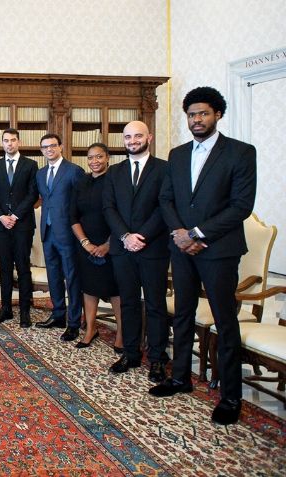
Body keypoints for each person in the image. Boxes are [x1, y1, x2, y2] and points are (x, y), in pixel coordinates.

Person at [153, 86, 256, 426]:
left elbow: (241, 206)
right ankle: (180, 378)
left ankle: (230, 396)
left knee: (225, 322)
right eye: (192, 115)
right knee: (183, 313)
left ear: (218, 115)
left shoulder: (240, 153)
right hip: (181, 250)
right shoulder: (178, 154)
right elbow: (166, 200)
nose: (196, 120)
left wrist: (198, 234)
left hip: (219, 251)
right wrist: (180, 235)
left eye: (203, 114)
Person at [103, 122, 170, 380]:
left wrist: (141, 236)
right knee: (128, 302)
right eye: (128, 137)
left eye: (138, 135)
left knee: (155, 304)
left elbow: (164, 206)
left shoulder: (164, 169)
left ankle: (157, 359)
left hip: (152, 248)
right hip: (122, 248)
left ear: (149, 137)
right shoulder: (115, 172)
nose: (133, 140)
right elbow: (109, 208)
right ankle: (131, 353)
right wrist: (125, 236)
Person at [68, 143, 122, 349]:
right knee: (88, 288)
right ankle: (90, 328)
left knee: (116, 290)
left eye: (99, 157)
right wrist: (85, 243)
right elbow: (73, 216)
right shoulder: (81, 182)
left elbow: (122, 214)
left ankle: (121, 333)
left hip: (113, 244)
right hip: (86, 245)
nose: (94, 162)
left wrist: (109, 244)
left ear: (108, 157)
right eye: (90, 158)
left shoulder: (115, 181)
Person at [35, 133, 85, 341]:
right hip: (47, 232)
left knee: (72, 278)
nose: (49, 150)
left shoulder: (74, 171)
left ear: (61, 147)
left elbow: (81, 204)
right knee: (53, 276)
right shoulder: (40, 173)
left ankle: (74, 322)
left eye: (53, 146)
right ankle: (58, 315)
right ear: (42, 150)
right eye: (45, 147)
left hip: (67, 233)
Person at [0, 128, 38, 328]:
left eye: (13, 140)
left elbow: (32, 194)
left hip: (22, 224)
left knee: (23, 267)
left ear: (19, 142)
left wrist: (15, 216)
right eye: (6, 141)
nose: (9, 144)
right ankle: (5, 308)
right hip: (1, 226)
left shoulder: (30, 165)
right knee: (4, 267)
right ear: (2, 143)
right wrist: (1, 216)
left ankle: (25, 311)